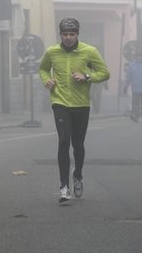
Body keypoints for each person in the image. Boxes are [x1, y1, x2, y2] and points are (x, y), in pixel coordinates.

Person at [39, 17, 110, 203]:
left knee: (77, 144)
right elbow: (43, 69)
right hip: (60, 102)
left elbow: (104, 73)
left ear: (78, 34)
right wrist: (47, 80)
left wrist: (87, 76)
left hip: (81, 105)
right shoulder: (52, 52)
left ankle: (77, 174)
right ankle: (64, 187)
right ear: (60, 35)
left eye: (72, 34)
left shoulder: (89, 51)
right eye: (65, 34)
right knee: (63, 140)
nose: (68, 38)